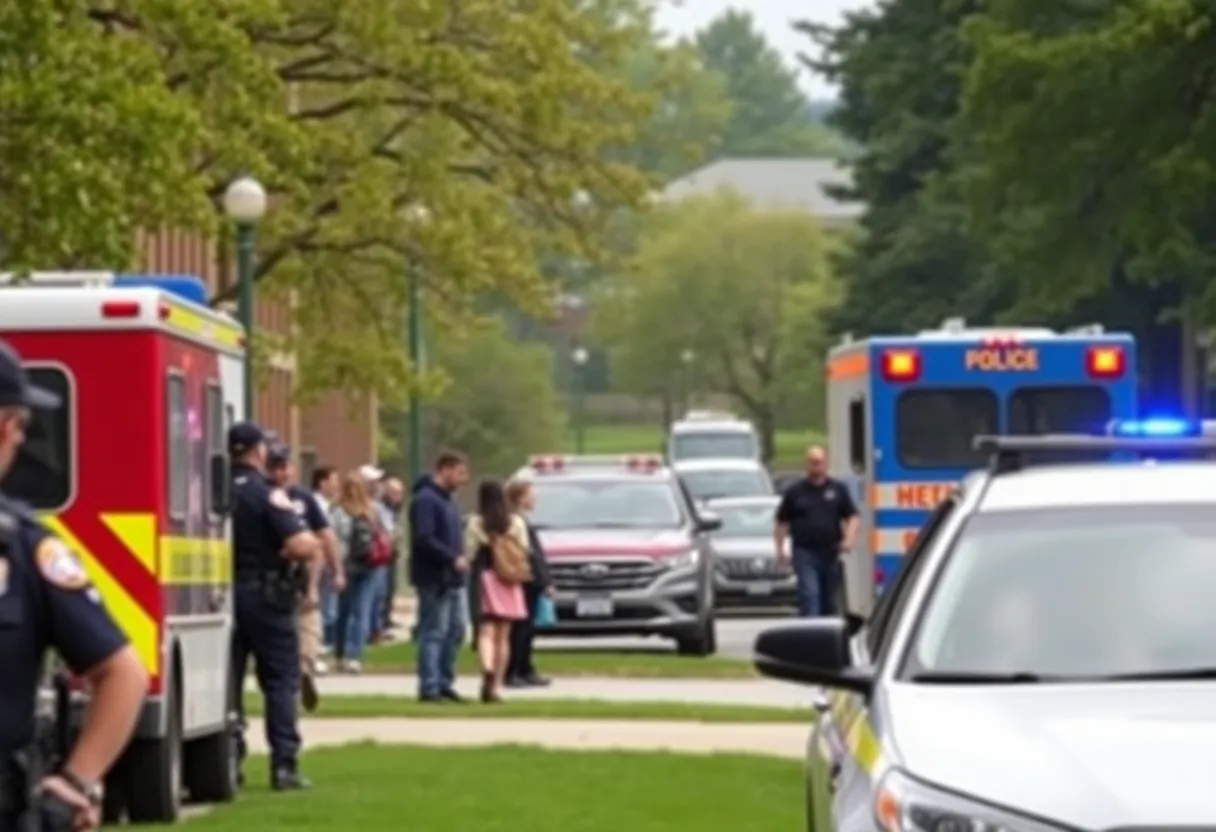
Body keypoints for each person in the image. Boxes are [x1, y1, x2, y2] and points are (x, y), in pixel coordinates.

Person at [0, 339, 148, 832]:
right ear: (5, 428)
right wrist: (76, 783)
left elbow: (123, 674)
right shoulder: (27, 549)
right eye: (22, 427)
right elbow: (123, 672)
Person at [228, 421, 321, 790]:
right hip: (266, 596)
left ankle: (228, 761)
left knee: (227, 683)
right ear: (257, 451)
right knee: (281, 680)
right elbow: (302, 544)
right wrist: (299, 545)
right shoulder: (267, 493)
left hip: (220, 596)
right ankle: (284, 765)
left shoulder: (210, 487)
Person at [266, 444, 343, 711]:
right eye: (276, 468)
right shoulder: (265, 496)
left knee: (310, 623)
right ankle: (298, 670)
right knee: (289, 630)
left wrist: (336, 571)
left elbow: (325, 536)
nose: (281, 473)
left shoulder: (303, 499)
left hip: (303, 574)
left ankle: (305, 668)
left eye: (285, 467)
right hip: (272, 576)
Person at [410, 451, 470, 703]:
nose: (463, 478)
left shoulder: (449, 501)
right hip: (433, 576)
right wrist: (450, 557)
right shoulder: (426, 500)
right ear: (444, 469)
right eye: (459, 472)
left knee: (456, 630)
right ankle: (430, 686)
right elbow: (425, 538)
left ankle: (445, 680)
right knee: (434, 630)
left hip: (453, 577)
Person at [465, 479, 531, 702]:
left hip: (485, 576)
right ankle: (496, 686)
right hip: (508, 580)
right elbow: (524, 549)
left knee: (486, 632)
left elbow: (469, 552)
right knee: (504, 636)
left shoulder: (476, 523)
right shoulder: (515, 522)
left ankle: (486, 667)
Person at [774, 445, 859, 618]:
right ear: (806, 465)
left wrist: (849, 540)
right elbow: (782, 522)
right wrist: (780, 549)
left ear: (826, 464)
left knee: (829, 601)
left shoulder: (837, 489)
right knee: (810, 595)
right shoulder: (795, 493)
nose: (816, 466)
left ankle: (826, 637)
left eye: (819, 462)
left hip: (831, 552)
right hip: (804, 552)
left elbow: (853, 516)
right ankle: (809, 636)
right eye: (812, 462)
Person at [330, 471, 385, 673]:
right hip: (357, 565)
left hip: (356, 565)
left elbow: (332, 537)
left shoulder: (344, 511)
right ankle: (347, 655)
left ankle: (347, 655)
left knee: (352, 612)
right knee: (352, 611)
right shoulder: (365, 510)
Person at [504, 479, 553, 688]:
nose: (534, 498)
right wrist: (543, 579)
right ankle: (514, 670)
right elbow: (530, 554)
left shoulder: (523, 520)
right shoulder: (516, 522)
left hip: (533, 579)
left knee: (528, 628)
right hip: (526, 579)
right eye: (530, 494)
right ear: (520, 498)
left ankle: (525, 668)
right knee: (520, 628)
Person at [309, 465, 342, 653]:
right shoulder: (316, 506)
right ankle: (314, 647)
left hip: (327, 564)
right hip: (318, 564)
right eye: (333, 482)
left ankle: (317, 645)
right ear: (322, 483)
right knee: (320, 608)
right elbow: (324, 538)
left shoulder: (328, 507)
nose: (336, 486)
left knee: (328, 611)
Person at [379, 477, 406, 635]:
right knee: (384, 587)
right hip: (383, 552)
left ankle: (387, 616)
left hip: (393, 552)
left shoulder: (397, 509)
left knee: (391, 586)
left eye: (400, 493)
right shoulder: (382, 507)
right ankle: (381, 620)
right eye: (394, 492)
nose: (398, 496)